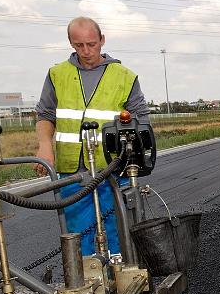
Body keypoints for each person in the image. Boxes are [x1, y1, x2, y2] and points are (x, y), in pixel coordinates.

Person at [35, 17, 150, 256]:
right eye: (79, 45)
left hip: (113, 168)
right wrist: (44, 146)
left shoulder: (124, 76)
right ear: (70, 43)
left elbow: (142, 121)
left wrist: (135, 158)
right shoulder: (58, 74)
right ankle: (89, 281)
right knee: (79, 233)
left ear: (102, 40)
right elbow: (45, 115)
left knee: (118, 230)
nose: (86, 51)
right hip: (73, 172)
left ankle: (121, 280)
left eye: (92, 44)